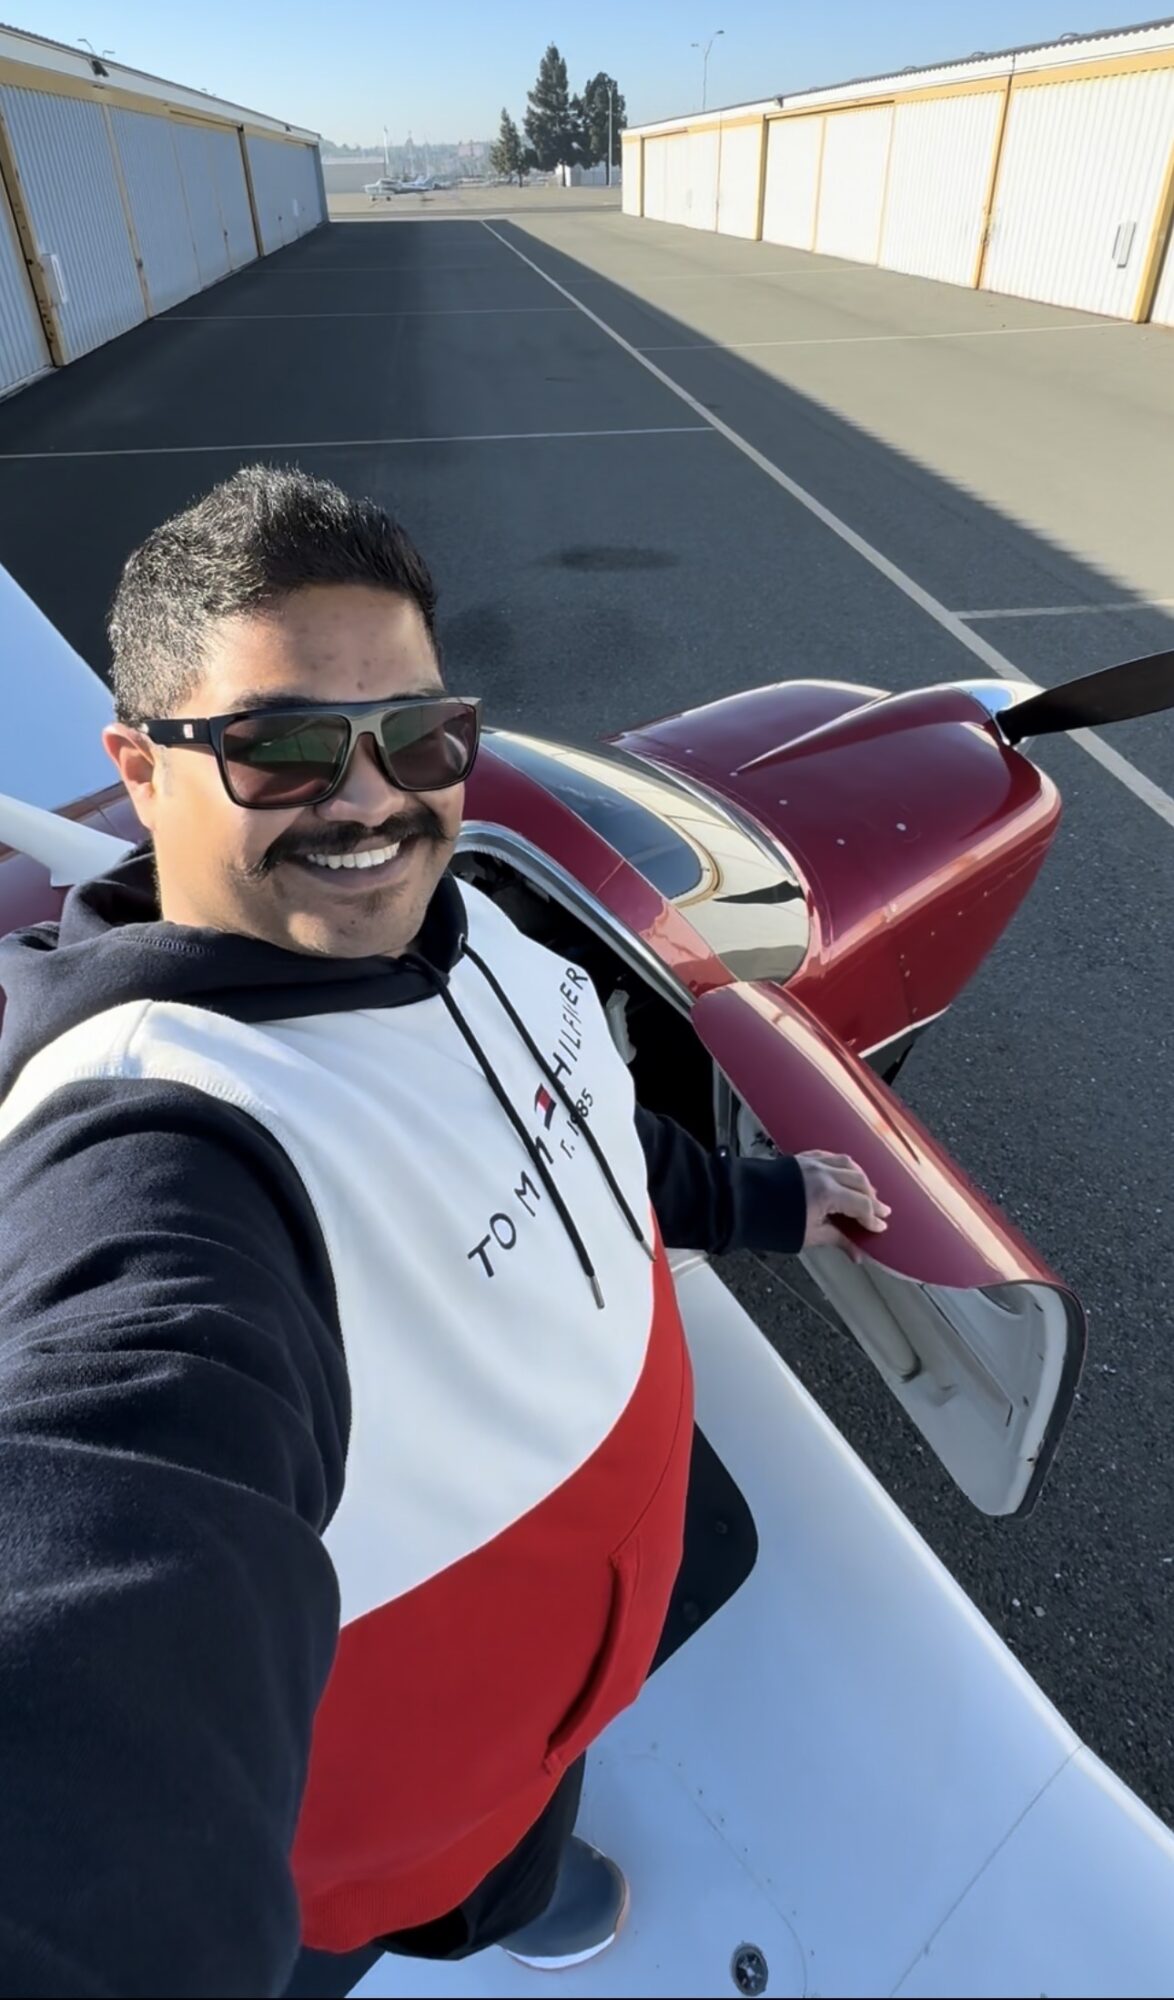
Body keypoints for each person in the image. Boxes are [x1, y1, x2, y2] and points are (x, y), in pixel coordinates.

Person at [0, 467, 889, 1998]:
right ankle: (459, 1909)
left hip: (558, 1691)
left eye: (419, 737)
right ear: (139, 772)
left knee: (526, 1843)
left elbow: (581, 1126)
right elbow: (102, 1570)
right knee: (413, 1903)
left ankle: (514, 1882)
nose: (370, 799)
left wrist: (759, 1199)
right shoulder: (163, 1147)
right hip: (372, 1823)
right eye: (281, 751)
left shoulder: (470, 925)